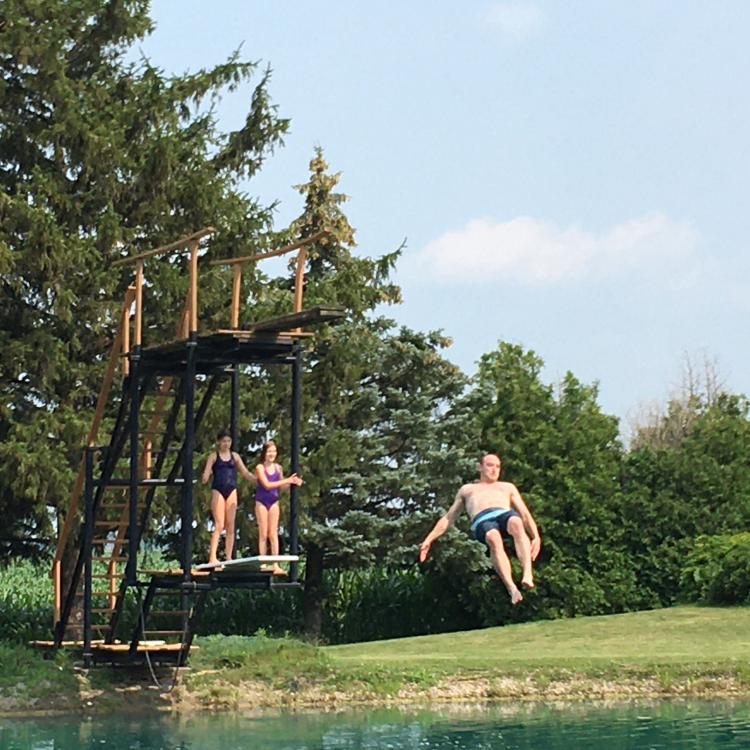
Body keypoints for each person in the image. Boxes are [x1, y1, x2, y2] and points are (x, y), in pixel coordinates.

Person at [419, 453, 542, 606]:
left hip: (503, 513)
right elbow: (448, 518)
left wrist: (535, 536)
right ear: (480, 467)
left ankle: (527, 574)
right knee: (493, 538)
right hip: (483, 519)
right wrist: (428, 540)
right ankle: (512, 588)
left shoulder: (507, 487)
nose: (494, 470)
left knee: (516, 522)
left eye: (497, 466)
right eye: (490, 465)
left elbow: (524, 513)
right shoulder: (468, 490)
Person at [201, 429, 255, 565]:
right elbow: (206, 474)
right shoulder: (214, 456)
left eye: (228, 441)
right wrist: (205, 477)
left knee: (231, 525)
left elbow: (245, 472)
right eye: (224, 441)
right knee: (219, 524)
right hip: (218, 490)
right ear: (219, 442)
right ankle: (212, 556)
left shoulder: (235, 456)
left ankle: (229, 556)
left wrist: (257, 479)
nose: (226, 444)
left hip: (231, 490)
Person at [255, 440, 303, 574]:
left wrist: (292, 482)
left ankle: (275, 563)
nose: (272, 454)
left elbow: (280, 486)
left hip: (274, 501)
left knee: (273, 533)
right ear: (264, 453)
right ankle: (264, 562)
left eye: (274, 451)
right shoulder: (260, 467)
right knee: (263, 533)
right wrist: (287, 480)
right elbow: (267, 485)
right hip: (262, 501)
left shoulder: (278, 468)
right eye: (269, 451)